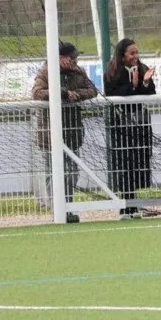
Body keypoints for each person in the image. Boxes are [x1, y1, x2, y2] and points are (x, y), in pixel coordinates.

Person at [32, 41, 100, 212]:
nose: (75, 61)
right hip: (49, 132)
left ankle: (67, 205)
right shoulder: (45, 72)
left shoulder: (79, 72)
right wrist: (60, 93)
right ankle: (57, 208)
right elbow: (37, 93)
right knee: (52, 171)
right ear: (61, 58)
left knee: (72, 171)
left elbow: (93, 90)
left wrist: (76, 95)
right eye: (72, 58)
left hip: (72, 130)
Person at [103, 38, 157, 217]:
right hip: (121, 123)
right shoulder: (112, 71)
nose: (136, 56)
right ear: (122, 55)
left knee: (138, 161)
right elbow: (112, 94)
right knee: (123, 162)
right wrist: (132, 86)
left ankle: (133, 202)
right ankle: (126, 203)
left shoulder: (142, 68)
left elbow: (149, 92)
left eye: (137, 52)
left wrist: (145, 83)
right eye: (132, 53)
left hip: (139, 123)